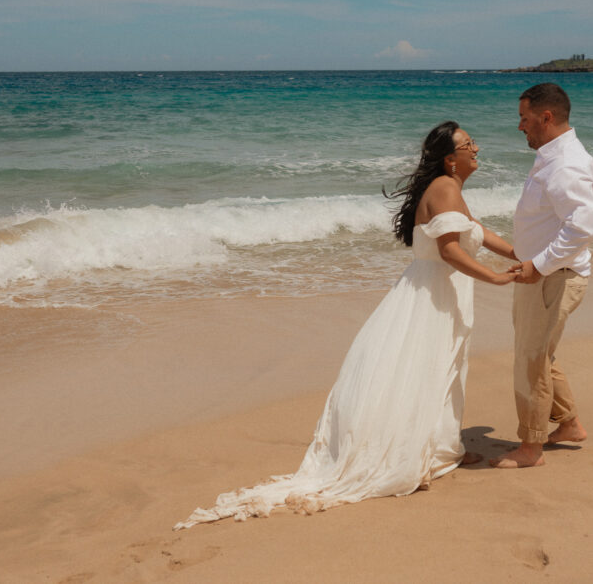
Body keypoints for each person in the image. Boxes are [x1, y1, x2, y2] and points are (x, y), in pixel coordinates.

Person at [175, 121, 519, 529]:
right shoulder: (445, 188)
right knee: (430, 371)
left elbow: (474, 231)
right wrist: (497, 278)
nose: (476, 148)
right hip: (434, 293)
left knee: (438, 371)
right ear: (450, 158)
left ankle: (444, 447)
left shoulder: (450, 189)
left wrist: (519, 252)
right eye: (468, 144)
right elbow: (449, 252)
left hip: (433, 290)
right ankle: (433, 450)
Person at [490, 83, 593, 470]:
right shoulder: (552, 156)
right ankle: (568, 424)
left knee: (531, 359)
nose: (520, 126)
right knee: (539, 353)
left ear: (546, 117)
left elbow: (581, 227)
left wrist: (538, 265)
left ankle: (530, 447)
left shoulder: (566, 163)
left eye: (524, 118)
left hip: (552, 276)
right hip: (544, 274)